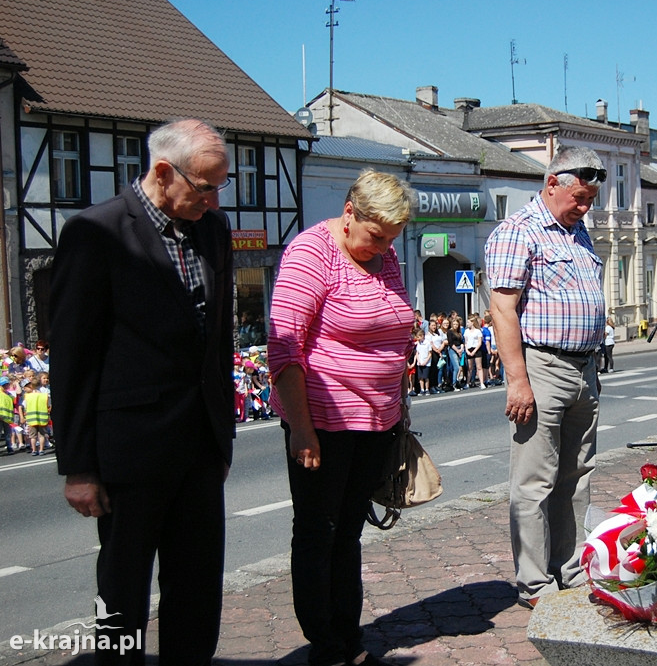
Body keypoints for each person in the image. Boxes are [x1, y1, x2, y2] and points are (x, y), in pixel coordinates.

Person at [49, 118, 235, 665]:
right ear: (162, 171)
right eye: (205, 186)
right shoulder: (97, 231)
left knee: (198, 587)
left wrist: (220, 435)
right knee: (124, 592)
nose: (214, 198)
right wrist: (79, 466)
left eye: (220, 186)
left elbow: (218, 339)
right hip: (128, 450)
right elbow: (73, 357)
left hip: (200, 445)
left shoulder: (212, 228)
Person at [268, 168, 414, 666]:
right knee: (318, 531)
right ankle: (325, 643)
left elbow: (393, 324)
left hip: (375, 421)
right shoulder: (312, 252)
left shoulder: (385, 256)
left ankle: (348, 634)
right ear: (349, 213)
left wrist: (396, 406)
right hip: (323, 422)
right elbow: (285, 347)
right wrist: (302, 429)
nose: (383, 247)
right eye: (376, 236)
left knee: (349, 530)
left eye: (391, 238)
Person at [484, 145, 606, 609]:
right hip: (542, 366)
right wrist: (518, 380)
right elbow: (503, 308)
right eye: (578, 196)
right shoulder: (519, 231)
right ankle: (534, 583)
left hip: (584, 368)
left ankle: (570, 568)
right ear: (552, 182)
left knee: (576, 476)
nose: (584, 205)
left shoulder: (578, 232)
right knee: (535, 480)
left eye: (590, 199)